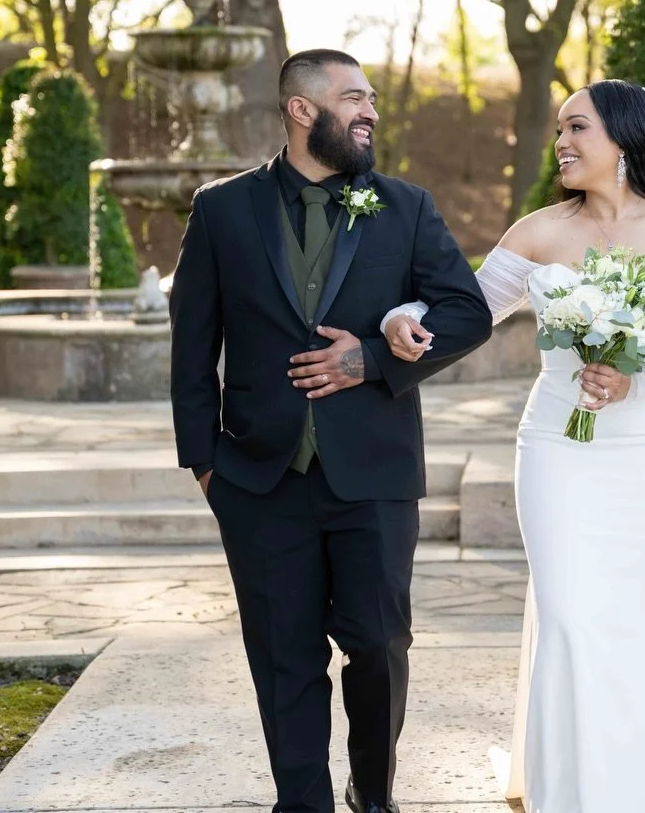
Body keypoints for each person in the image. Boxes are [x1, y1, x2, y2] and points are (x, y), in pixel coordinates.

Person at [381, 79, 645, 812]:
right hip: (558, 445)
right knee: (569, 610)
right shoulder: (539, 231)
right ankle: (571, 790)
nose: (562, 142)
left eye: (577, 128)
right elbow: (468, 310)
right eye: (559, 129)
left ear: (624, 137)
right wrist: (404, 314)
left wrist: (636, 382)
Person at [168, 48, 493, 813]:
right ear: (301, 110)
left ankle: (373, 796)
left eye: (371, 98)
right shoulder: (221, 209)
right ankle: (303, 802)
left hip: (373, 474)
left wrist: (373, 359)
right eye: (353, 98)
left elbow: (467, 313)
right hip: (256, 477)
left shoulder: (405, 206)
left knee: (380, 644)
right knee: (284, 657)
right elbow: (191, 346)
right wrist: (206, 467)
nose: (369, 112)